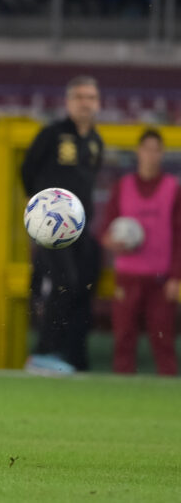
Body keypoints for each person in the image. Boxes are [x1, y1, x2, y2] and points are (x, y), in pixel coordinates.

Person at [22, 75, 103, 375]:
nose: (86, 103)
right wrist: (40, 214)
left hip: (82, 229)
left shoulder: (95, 141)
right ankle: (43, 353)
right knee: (64, 281)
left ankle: (73, 356)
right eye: (80, 97)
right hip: (52, 230)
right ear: (68, 102)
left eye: (91, 97)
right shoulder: (52, 134)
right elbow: (27, 170)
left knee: (83, 285)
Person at [100, 129, 180, 376]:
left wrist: (176, 277)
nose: (151, 155)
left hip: (161, 278)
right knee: (123, 337)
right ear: (139, 152)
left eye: (156, 150)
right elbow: (105, 230)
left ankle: (169, 391)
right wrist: (112, 241)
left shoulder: (173, 188)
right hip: (128, 275)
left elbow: (179, 235)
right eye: (147, 149)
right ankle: (121, 392)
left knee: (163, 339)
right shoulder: (122, 186)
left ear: (162, 154)